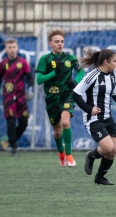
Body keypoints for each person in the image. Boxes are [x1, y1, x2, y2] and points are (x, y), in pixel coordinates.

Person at [71, 48, 116, 185]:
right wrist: (89, 109)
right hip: (94, 118)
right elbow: (75, 94)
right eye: (115, 61)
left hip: (108, 118)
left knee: (113, 151)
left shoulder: (113, 75)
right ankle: (90, 156)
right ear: (106, 62)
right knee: (107, 147)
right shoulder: (92, 76)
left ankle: (99, 177)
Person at [36, 29, 85, 167]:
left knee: (65, 123)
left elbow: (81, 71)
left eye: (62, 41)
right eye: (56, 42)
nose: (60, 44)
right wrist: (53, 73)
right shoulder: (44, 59)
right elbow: (39, 80)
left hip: (67, 94)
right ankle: (61, 153)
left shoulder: (70, 58)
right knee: (57, 131)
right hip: (52, 97)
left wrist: (75, 82)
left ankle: (69, 154)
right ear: (50, 44)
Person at [0, 38, 34, 156]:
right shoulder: (2, 64)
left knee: (24, 123)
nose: (12, 50)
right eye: (9, 47)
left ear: (17, 48)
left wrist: (31, 89)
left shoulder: (23, 62)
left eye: (13, 47)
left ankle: (10, 141)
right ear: (6, 49)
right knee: (10, 122)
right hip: (8, 96)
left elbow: (30, 78)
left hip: (21, 96)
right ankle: (14, 147)